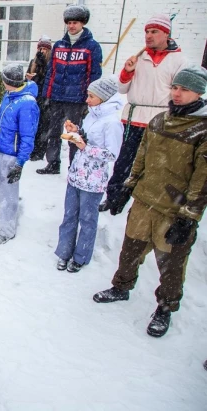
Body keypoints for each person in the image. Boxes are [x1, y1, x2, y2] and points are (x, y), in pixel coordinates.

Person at [92, 66, 207, 338]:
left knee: (171, 264)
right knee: (130, 251)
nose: (177, 94)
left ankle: (165, 307)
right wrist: (127, 187)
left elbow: (202, 180)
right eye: (175, 88)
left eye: (184, 89)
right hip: (144, 201)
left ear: (199, 92)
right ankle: (121, 287)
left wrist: (188, 216)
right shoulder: (159, 120)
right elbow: (141, 158)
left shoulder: (202, 130)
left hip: (174, 209)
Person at [101, 13, 187, 214]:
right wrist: (127, 71)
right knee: (123, 162)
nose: (148, 35)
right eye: (147, 31)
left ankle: (145, 204)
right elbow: (122, 89)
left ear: (166, 33)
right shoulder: (139, 57)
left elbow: (180, 93)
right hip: (133, 118)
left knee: (154, 166)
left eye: (154, 31)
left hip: (160, 121)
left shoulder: (180, 60)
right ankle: (114, 198)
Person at [54, 77, 123, 273]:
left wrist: (85, 147)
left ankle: (81, 257)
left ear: (103, 98)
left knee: (87, 220)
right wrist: (76, 131)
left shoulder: (112, 123)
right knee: (69, 216)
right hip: (76, 175)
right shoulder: (91, 115)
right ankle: (64, 252)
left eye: (91, 96)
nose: (87, 99)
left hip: (93, 181)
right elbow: (87, 137)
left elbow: (112, 154)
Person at [0, 64, 39, 245]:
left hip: (11, 155)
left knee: (8, 194)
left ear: (9, 82)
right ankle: (7, 195)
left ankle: (7, 231)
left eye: (4, 80)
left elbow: (28, 136)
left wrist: (20, 163)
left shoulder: (27, 103)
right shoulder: (8, 95)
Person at [37, 5, 103, 175]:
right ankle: (52, 163)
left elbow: (94, 75)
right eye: (69, 23)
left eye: (75, 22)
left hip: (77, 99)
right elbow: (51, 72)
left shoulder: (91, 47)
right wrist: (47, 94)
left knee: (74, 134)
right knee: (53, 132)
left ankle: (74, 166)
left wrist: (91, 99)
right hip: (57, 97)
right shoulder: (59, 45)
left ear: (83, 23)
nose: (72, 26)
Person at [26, 35, 53, 161]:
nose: (42, 51)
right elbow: (28, 81)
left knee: (43, 126)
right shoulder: (33, 62)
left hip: (45, 99)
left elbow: (47, 81)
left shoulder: (51, 63)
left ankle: (39, 152)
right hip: (34, 98)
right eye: (40, 48)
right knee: (32, 126)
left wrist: (43, 68)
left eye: (45, 49)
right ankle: (31, 149)